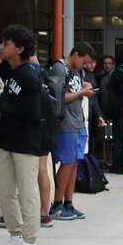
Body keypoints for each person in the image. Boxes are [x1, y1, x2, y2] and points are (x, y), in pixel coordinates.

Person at [0, 25, 44, 245]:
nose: (2, 47)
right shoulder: (11, 72)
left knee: (27, 191)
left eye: (8, 43)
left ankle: (30, 242)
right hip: (6, 141)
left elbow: (34, 111)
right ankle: (15, 235)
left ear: (20, 48)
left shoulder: (29, 75)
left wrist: (3, 106)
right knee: (5, 190)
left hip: (27, 143)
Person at [46, 43, 96, 220]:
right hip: (66, 124)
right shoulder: (60, 69)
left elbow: (72, 91)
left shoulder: (76, 72)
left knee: (74, 163)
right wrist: (82, 92)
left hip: (78, 123)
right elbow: (58, 97)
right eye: (84, 61)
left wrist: (83, 87)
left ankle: (69, 203)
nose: (85, 65)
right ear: (75, 54)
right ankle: (57, 205)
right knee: (67, 163)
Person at [106, 50, 123, 173]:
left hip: (118, 113)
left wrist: (110, 113)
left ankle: (117, 166)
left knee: (117, 140)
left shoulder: (116, 74)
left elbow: (111, 97)